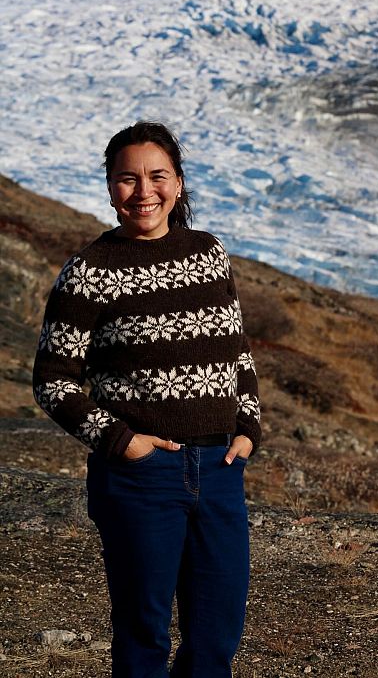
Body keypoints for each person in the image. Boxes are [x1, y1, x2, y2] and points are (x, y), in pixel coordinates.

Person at [32, 121, 261, 678]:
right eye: (127, 179)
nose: (143, 192)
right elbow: (53, 381)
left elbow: (238, 354)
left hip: (219, 469)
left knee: (217, 634)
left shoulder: (209, 254)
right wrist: (123, 442)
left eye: (157, 176)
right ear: (110, 188)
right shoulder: (88, 272)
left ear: (178, 184)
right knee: (143, 633)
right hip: (139, 478)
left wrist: (248, 430)